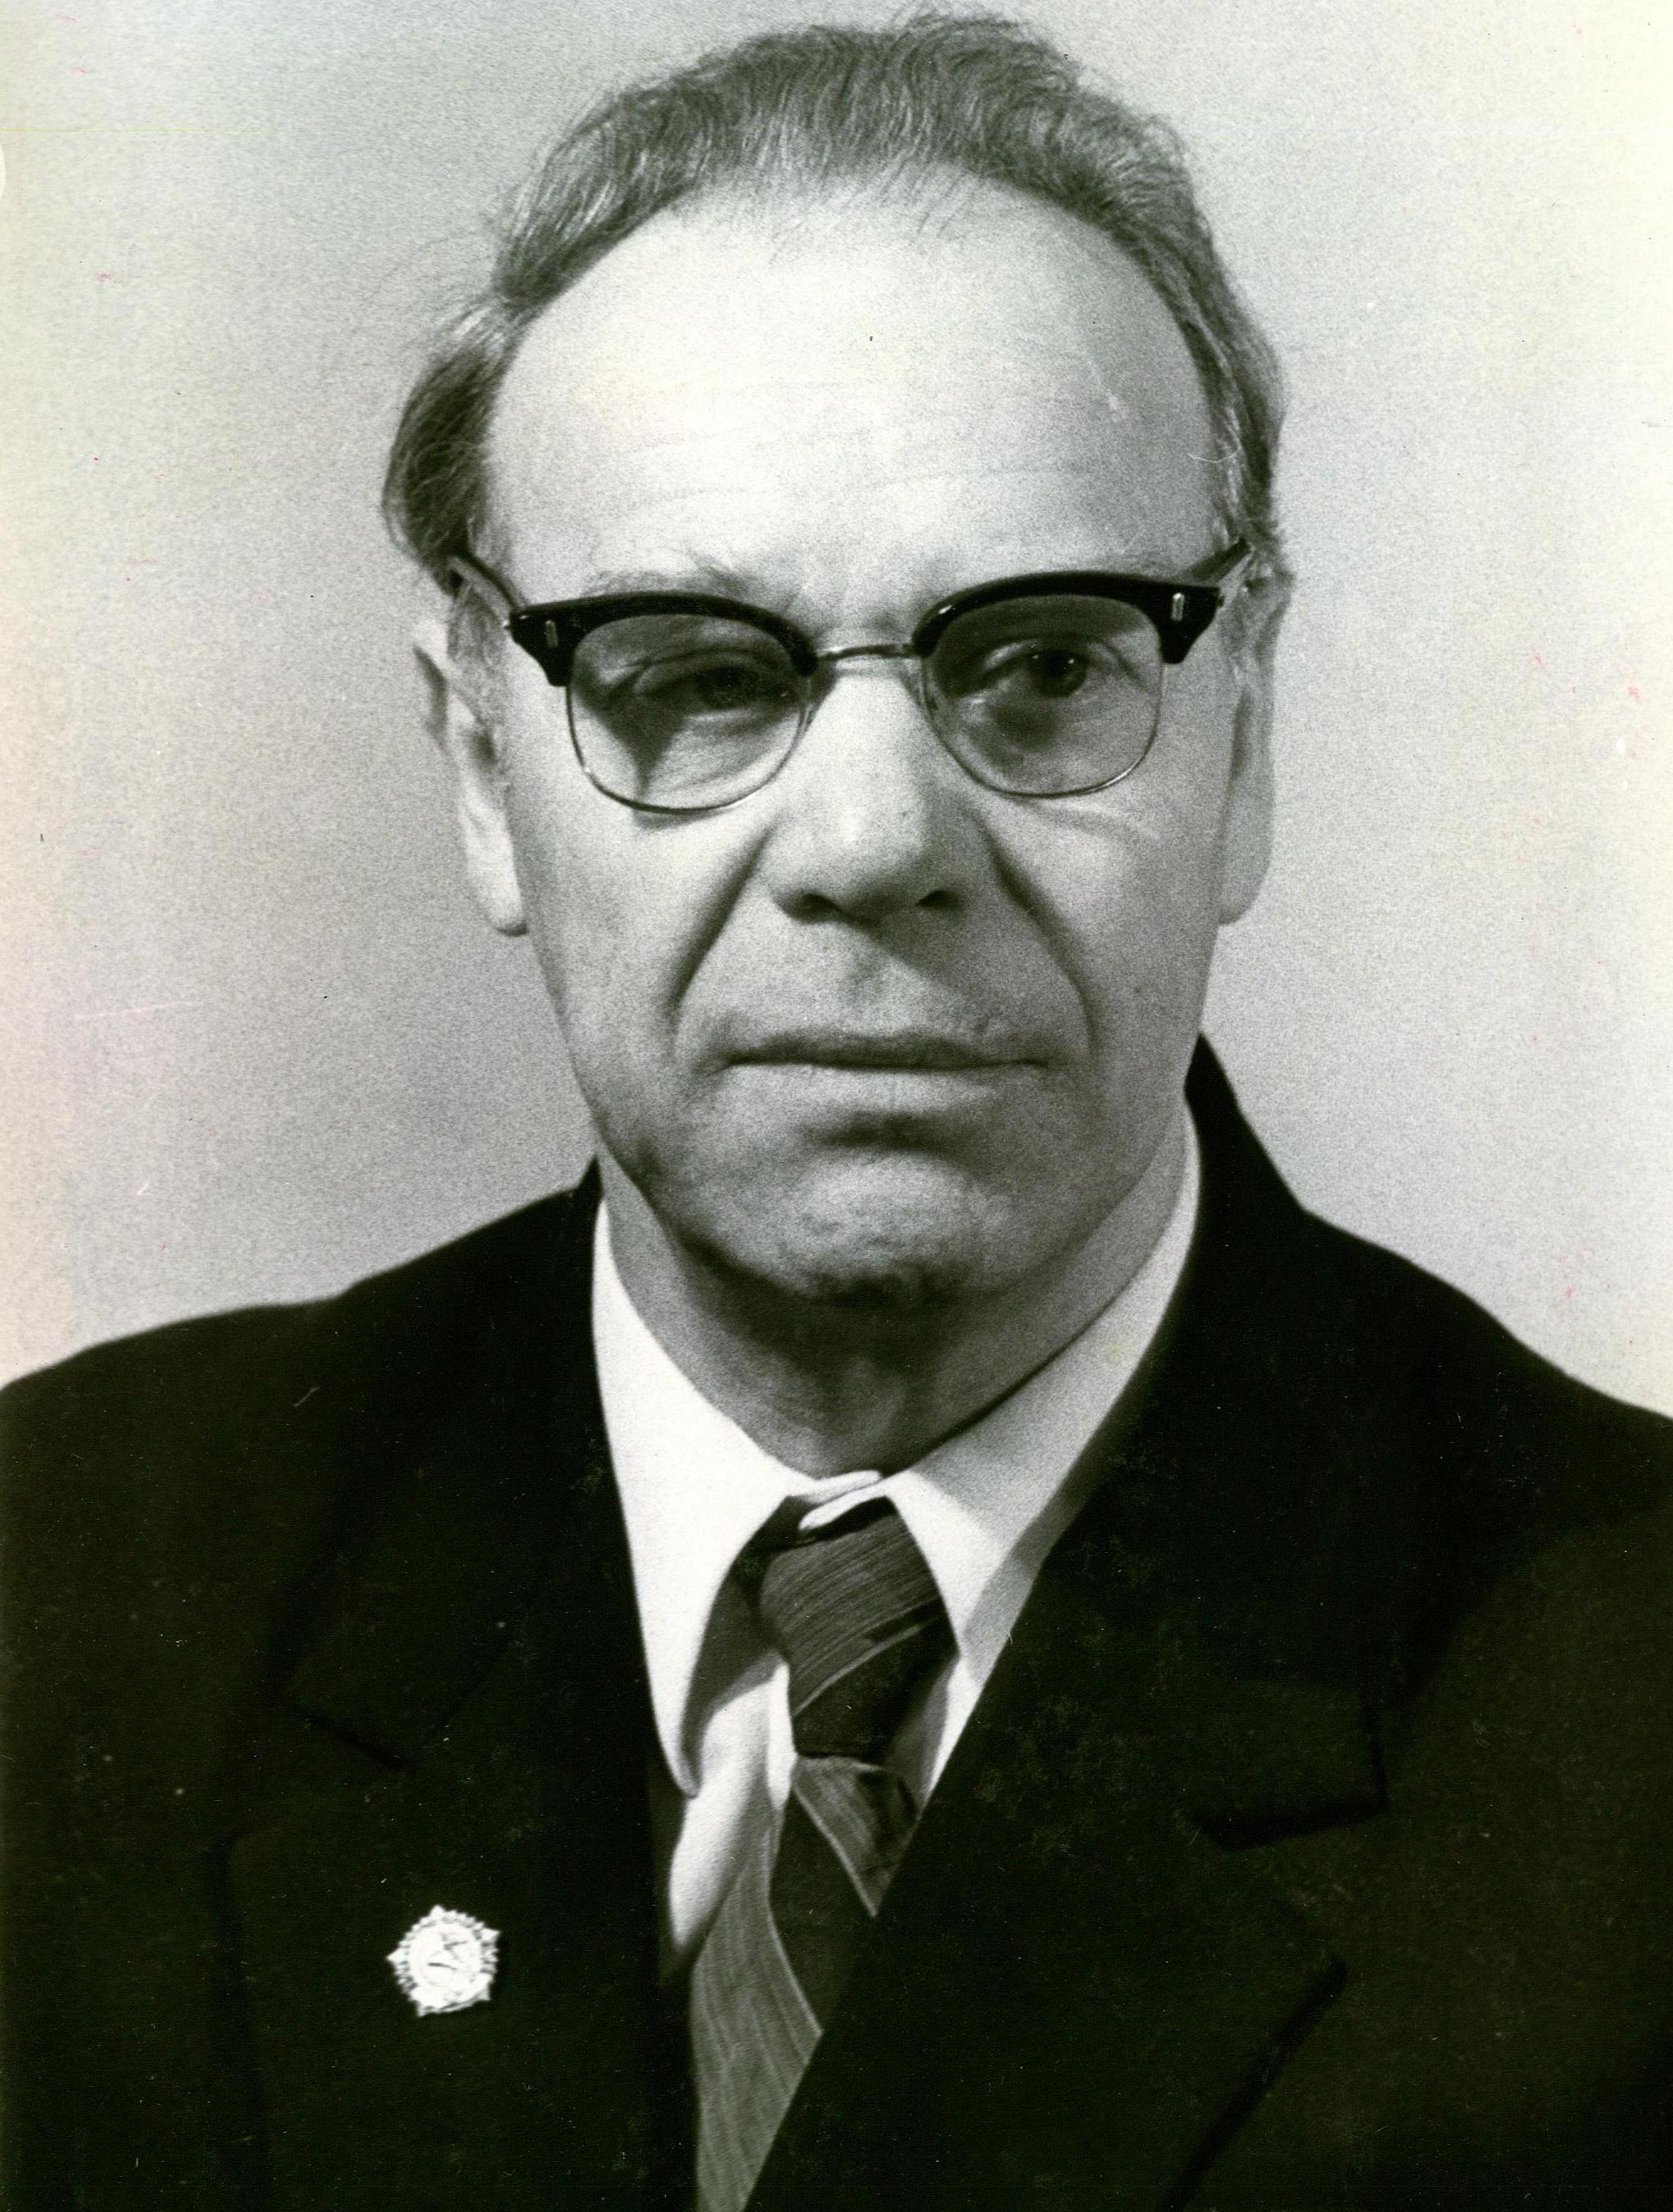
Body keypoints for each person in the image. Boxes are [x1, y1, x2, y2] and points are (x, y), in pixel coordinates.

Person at [3, 16, 1670, 2209]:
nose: (877, 842)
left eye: (1046, 665)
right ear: (483, 771)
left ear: (1243, 734)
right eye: (698, 676)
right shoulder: (59, 1598)